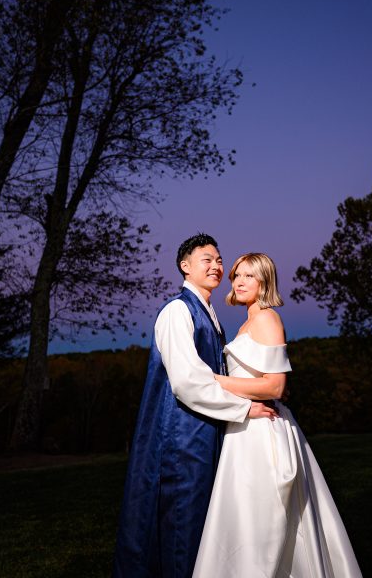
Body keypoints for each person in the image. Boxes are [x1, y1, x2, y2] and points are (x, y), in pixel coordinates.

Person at [113, 234, 278, 578]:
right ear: (185, 267)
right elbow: (188, 382)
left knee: (201, 529)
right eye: (207, 259)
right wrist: (246, 409)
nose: (217, 266)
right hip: (178, 440)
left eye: (219, 260)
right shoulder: (177, 311)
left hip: (204, 436)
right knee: (179, 529)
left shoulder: (211, 315)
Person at [192, 252, 362, 578]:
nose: (239, 282)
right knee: (246, 517)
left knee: (265, 521)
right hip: (245, 427)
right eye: (237, 275)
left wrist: (210, 379)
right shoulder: (248, 321)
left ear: (264, 281)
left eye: (249, 276)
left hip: (263, 432)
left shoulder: (267, 318)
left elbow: (275, 386)